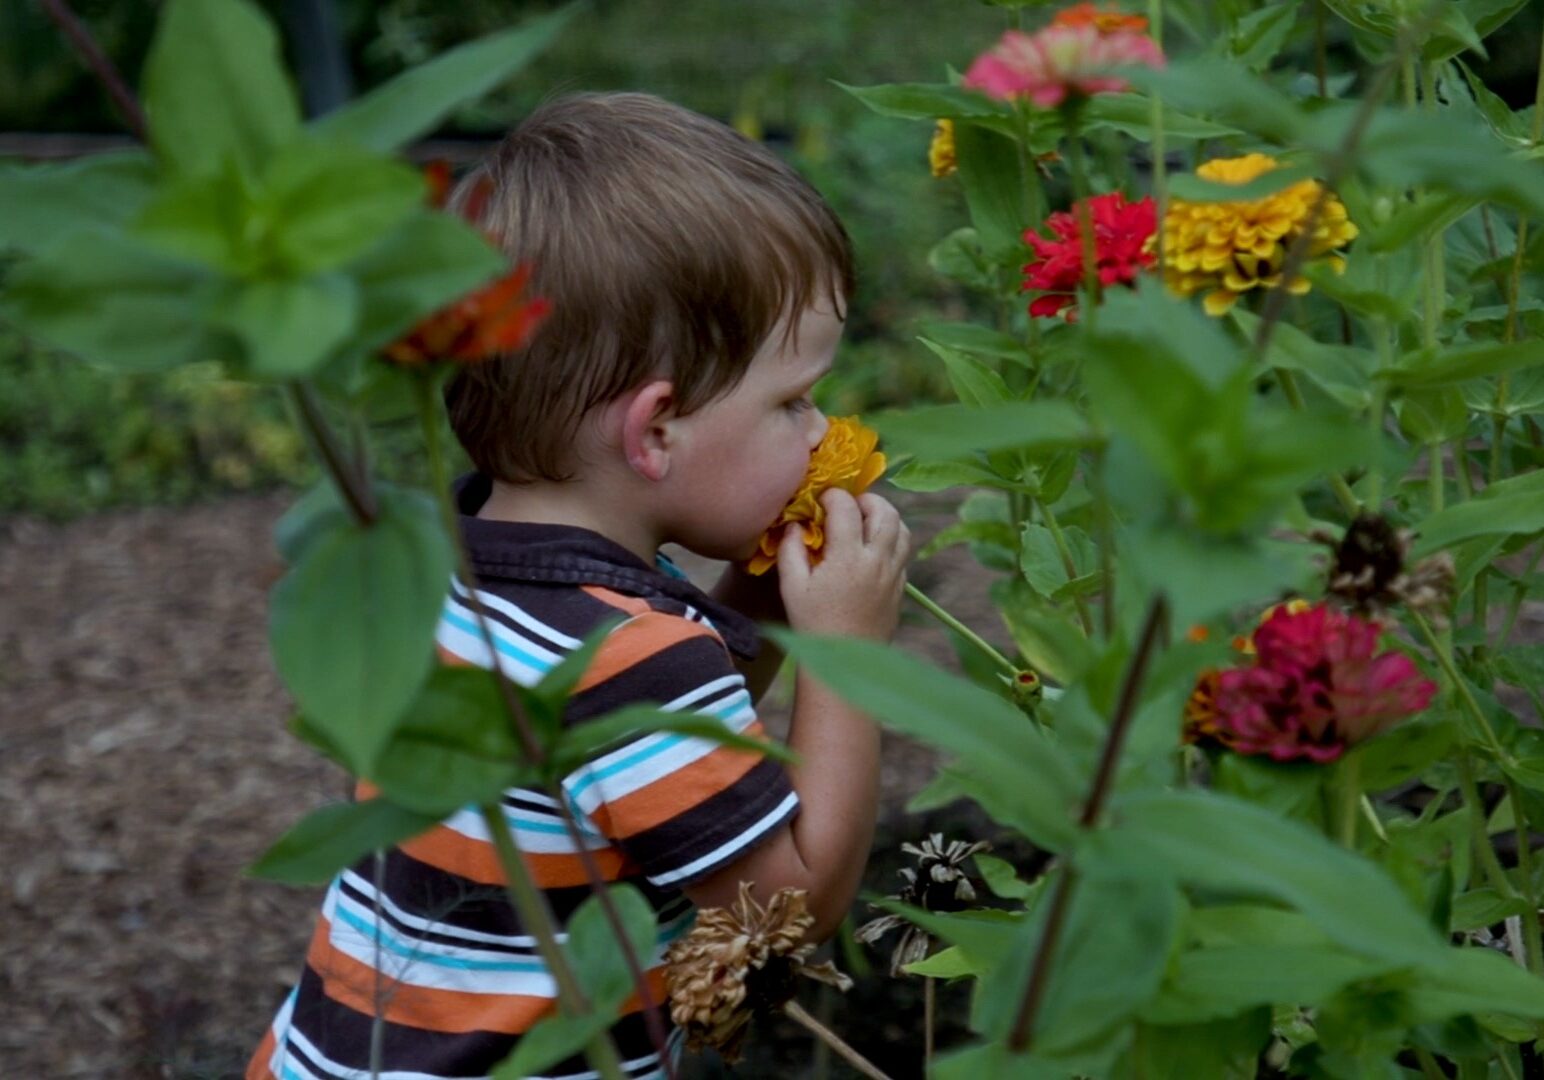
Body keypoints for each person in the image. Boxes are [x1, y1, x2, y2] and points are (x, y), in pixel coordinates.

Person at [247, 91, 909, 1080]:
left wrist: (760, 607)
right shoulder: (633, 661)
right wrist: (847, 659)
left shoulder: (440, 577)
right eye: (791, 401)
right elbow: (784, 918)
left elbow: (652, 783)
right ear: (655, 432)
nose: (817, 433)